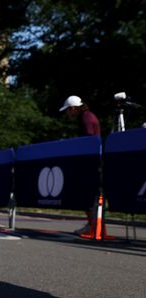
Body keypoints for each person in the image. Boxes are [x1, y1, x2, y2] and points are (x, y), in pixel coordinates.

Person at [59, 95, 102, 235]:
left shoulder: (86, 117)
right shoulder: (86, 116)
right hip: (91, 159)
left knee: (87, 194)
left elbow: (89, 139)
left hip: (90, 161)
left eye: (67, 111)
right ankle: (93, 224)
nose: (67, 114)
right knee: (88, 194)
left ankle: (92, 225)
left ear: (73, 108)